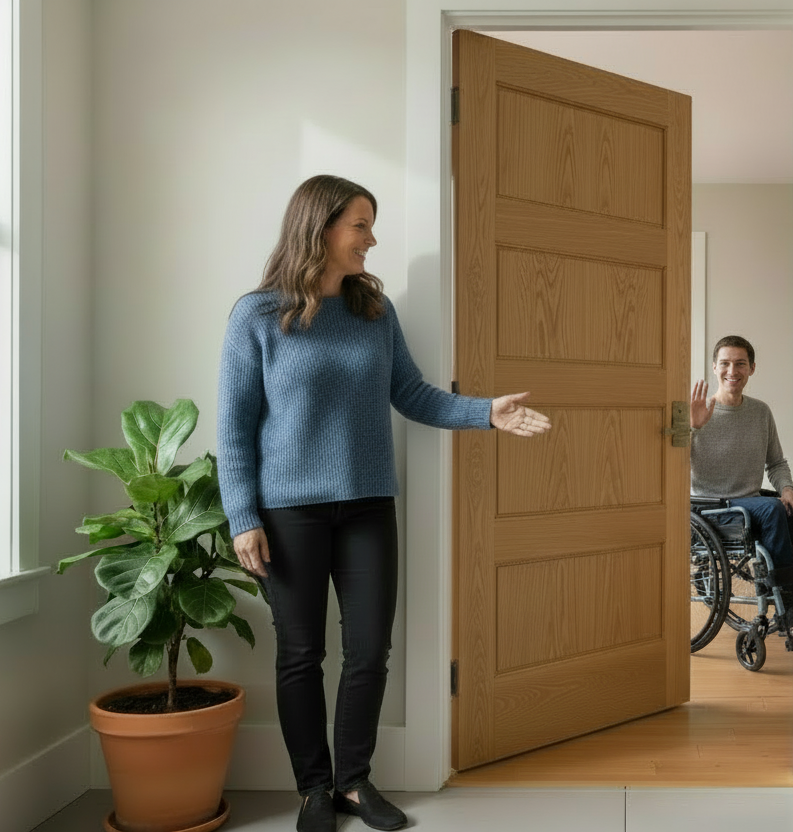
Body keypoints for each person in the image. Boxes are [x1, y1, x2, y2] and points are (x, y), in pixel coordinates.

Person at [218, 174, 550, 832]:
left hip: (369, 505)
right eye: (361, 225)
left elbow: (412, 393)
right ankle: (313, 790)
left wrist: (486, 412)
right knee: (301, 655)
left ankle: (352, 782)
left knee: (370, 651)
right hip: (289, 513)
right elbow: (234, 428)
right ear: (320, 227)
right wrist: (243, 517)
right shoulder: (256, 315)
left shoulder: (374, 310)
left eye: (371, 226)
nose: (371, 239)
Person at [690, 334, 793, 591]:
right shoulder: (696, 411)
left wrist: (787, 490)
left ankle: (787, 589)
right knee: (772, 510)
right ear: (714, 367)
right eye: (725, 363)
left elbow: (776, 463)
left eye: (740, 364)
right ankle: (786, 597)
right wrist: (693, 428)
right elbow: (671, 465)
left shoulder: (760, 412)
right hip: (709, 507)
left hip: (749, 505)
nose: (732, 371)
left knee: (792, 509)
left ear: (752, 368)